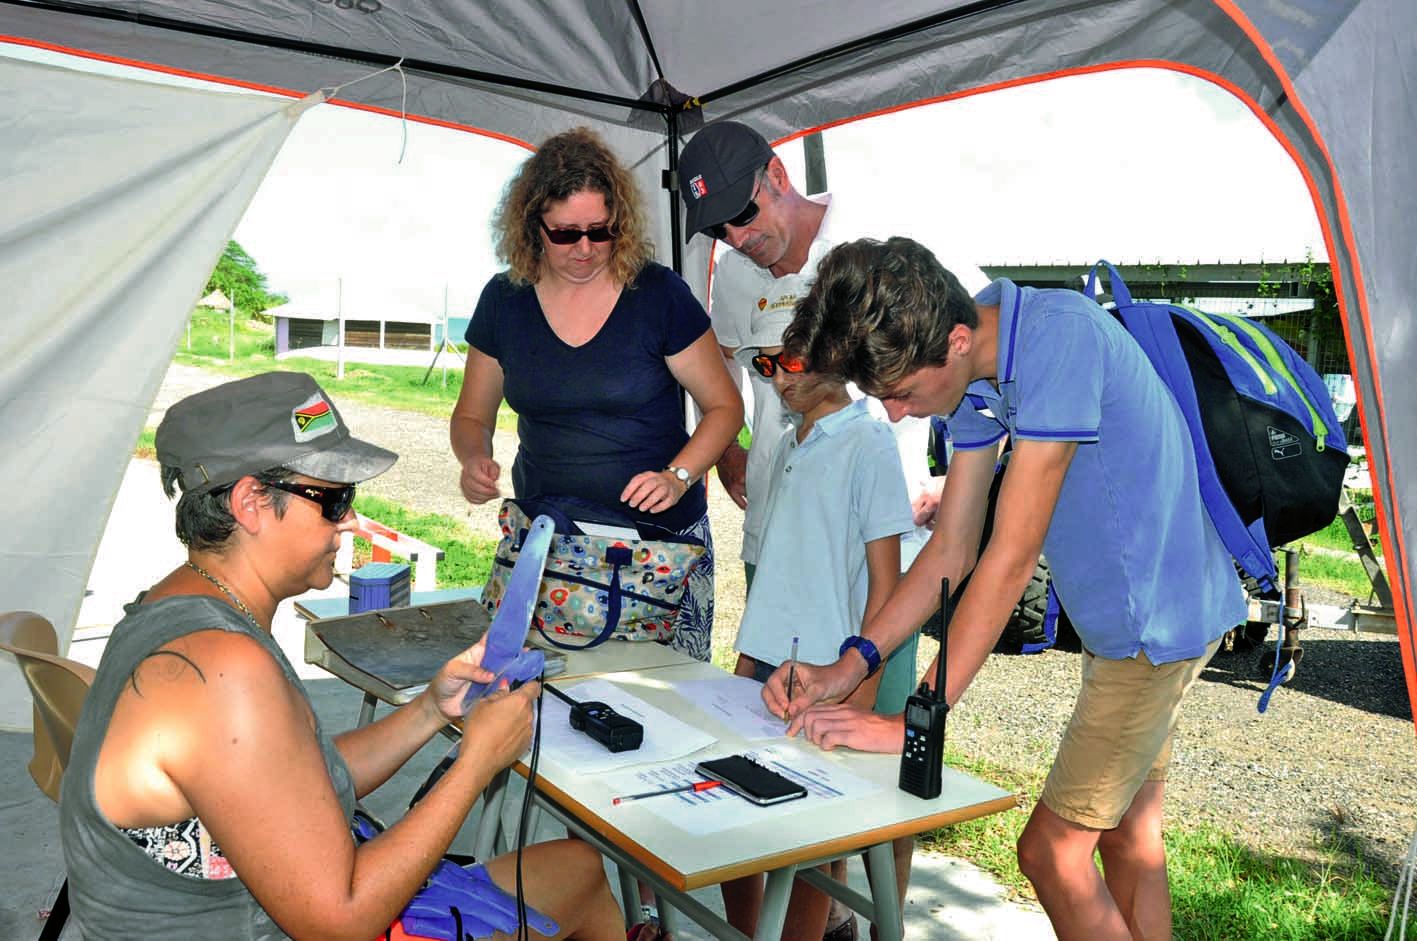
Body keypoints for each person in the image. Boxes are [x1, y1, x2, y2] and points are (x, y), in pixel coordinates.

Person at [763, 238, 1248, 941]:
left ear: (956, 340)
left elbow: (1007, 558)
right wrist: (850, 664)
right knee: (1127, 839)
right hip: (1139, 619)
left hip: (1152, 629)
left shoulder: (1058, 341)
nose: (895, 415)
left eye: (899, 393)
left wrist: (915, 720)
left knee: (1051, 852)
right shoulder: (978, 369)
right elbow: (950, 548)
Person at [59, 371, 624, 940]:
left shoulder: (177, 606)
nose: (350, 521)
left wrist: (432, 710)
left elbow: (294, 782)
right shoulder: (223, 669)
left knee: (578, 869)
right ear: (251, 501)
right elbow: (340, 921)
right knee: (578, 881)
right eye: (334, 499)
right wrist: (478, 761)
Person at [678, 121, 932, 939]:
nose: (738, 240)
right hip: (778, 540)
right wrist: (730, 451)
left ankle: (869, 917)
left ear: (778, 175)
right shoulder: (731, 278)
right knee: (766, 752)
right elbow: (712, 368)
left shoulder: (880, 243)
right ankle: (788, 919)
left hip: (875, 564)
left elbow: (944, 361)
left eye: (745, 217)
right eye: (719, 231)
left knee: (868, 774)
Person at [452, 126, 741, 663]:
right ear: (531, 226)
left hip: (656, 551)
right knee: (547, 701)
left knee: (666, 702)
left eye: (600, 232)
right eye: (564, 234)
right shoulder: (504, 301)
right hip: (550, 544)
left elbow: (725, 408)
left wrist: (678, 477)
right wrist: (474, 458)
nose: (584, 249)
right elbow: (472, 414)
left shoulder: (658, 295)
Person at [723, 276, 913, 939]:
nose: (777, 381)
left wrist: (858, 686)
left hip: (833, 675)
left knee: (807, 845)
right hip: (766, 667)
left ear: (836, 356)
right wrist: (743, 661)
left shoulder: (868, 440)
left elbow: (886, 586)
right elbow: (779, 576)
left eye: (791, 363)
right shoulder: (795, 440)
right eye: (765, 366)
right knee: (736, 825)